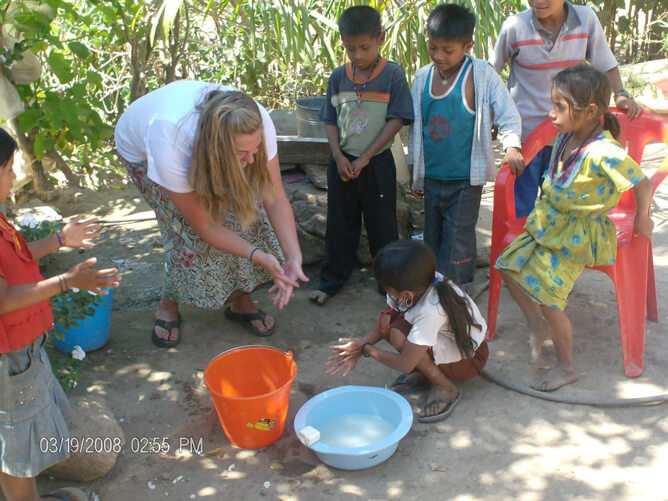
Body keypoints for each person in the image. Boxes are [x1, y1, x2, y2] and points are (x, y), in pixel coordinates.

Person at [495, 65, 653, 391]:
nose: (551, 114)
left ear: (590, 111)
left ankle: (566, 366)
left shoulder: (604, 151)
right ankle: (536, 326)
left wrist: (642, 218)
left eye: (559, 106)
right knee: (506, 266)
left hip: (577, 235)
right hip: (550, 223)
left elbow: (642, 180)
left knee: (549, 299)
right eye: (552, 104)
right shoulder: (566, 135)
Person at [115, 81, 307, 346]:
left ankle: (242, 301)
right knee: (186, 231)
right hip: (142, 150)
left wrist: (293, 257)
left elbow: (273, 197)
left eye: (256, 150)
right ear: (217, 150)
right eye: (242, 154)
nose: (252, 160)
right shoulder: (169, 140)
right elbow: (206, 227)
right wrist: (259, 255)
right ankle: (168, 304)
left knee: (248, 213)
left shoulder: (256, 121)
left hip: (199, 144)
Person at [0, 127, 120, 501]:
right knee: (17, 446)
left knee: (11, 438)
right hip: (10, 358)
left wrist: (59, 240)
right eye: (8, 169)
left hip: (22, 349)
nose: (13, 175)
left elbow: (15, 260)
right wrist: (67, 282)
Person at [490, 0, 644, 218]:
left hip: (569, 141)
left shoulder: (586, 20)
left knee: (560, 208)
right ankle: (520, 251)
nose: (538, 1)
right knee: (519, 211)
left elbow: (606, 64)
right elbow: (490, 76)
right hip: (526, 139)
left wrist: (621, 94)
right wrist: (492, 116)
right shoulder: (514, 26)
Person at [409, 3, 523, 291]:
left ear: (468, 45)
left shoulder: (481, 75)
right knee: (432, 236)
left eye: (448, 51)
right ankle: (433, 290)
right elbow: (415, 129)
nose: (438, 56)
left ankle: (458, 294)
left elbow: (509, 115)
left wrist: (512, 147)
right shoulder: (422, 77)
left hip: (464, 180)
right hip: (433, 177)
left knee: (458, 236)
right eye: (433, 48)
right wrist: (416, 172)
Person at [308, 5, 414, 306]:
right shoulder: (338, 77)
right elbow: (329, 119)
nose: (356, 55)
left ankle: (391, 286)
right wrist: (339, 157)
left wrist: (365, 158)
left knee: (384, 225)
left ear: (380, 38)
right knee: (340, 223)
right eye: (349, 48)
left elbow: (396, 120)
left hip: (376, 163)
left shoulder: (392, 75)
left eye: (364, 47)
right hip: (342, 163)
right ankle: (331, 282)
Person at [326, 240, 488, 423]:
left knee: (398, 334)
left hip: (468, 361)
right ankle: (428, 371)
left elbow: (405, 365)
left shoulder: (431, 310)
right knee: (390, 322)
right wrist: (361, 342)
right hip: (452, 347)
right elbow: (387, 318)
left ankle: (444, 387)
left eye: (385, 287)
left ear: (405, 294)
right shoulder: (420, 280)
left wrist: (366, 348)